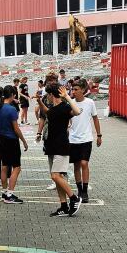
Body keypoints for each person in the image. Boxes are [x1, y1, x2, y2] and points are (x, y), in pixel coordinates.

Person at [36, 83, 82, 217]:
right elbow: (47, 113)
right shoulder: (53, 108)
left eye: (47, 95)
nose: (47, 98)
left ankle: (74, 198)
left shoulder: (65, 107)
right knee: (58, 178)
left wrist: (67, 96)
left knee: (55, 176)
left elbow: (77, 112)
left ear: (51, 95)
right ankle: (63, 206)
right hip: (51, 146)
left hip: (61, 147)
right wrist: (39, 101)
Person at [0, 84, 28, 204]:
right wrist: (23, 140)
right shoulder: (12, 109)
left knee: (4, 166)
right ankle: (10, 194)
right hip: (11, 140)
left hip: (1, 139)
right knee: (16, 167)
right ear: (12, 95)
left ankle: (4, 192)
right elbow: (16, 128)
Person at [69, 77, 102, 203]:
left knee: (84, 163)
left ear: (83, 90)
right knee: (76, 165)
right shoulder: (71, 102)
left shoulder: (90, 103)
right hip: (73, 139)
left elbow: (95, 118)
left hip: (86, 138)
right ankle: (79, 190)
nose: (73, 91)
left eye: (76, 89)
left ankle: (85, 191)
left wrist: (99, 135)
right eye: (72, 89)